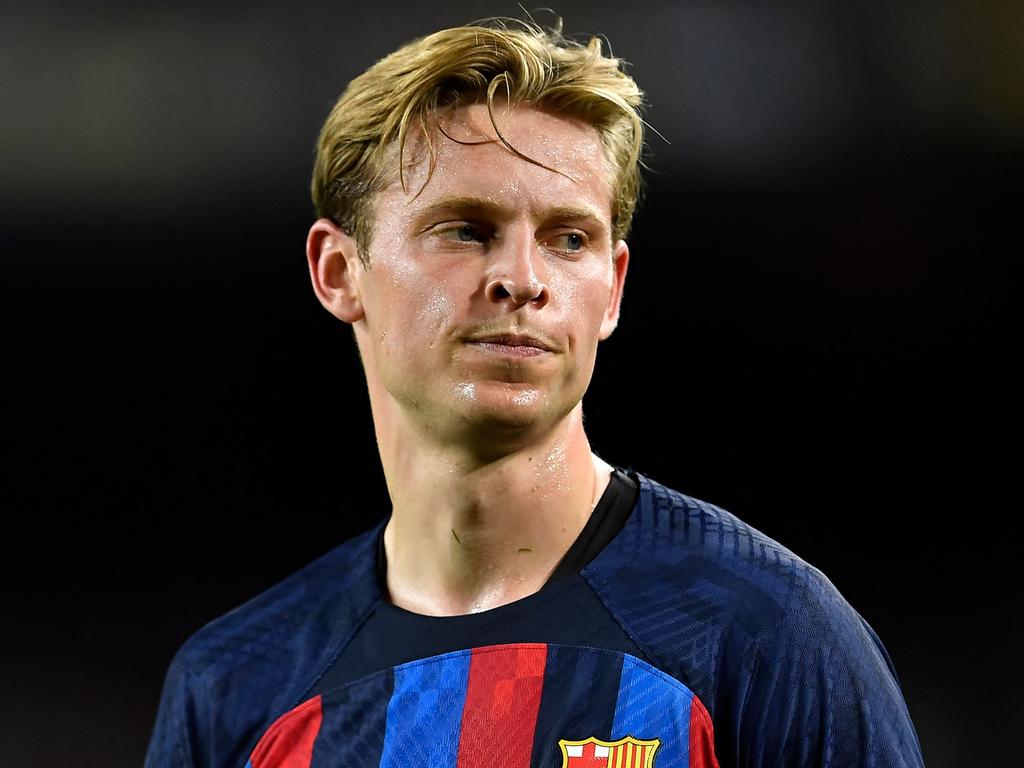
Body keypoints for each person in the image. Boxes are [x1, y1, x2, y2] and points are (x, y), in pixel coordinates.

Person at [145, 19, 924, 768]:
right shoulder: (234, 685)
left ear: (613, 291)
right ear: (339, 272)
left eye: (569, 239)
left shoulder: (762, 632)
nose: (522, 279)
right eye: (466, 229)